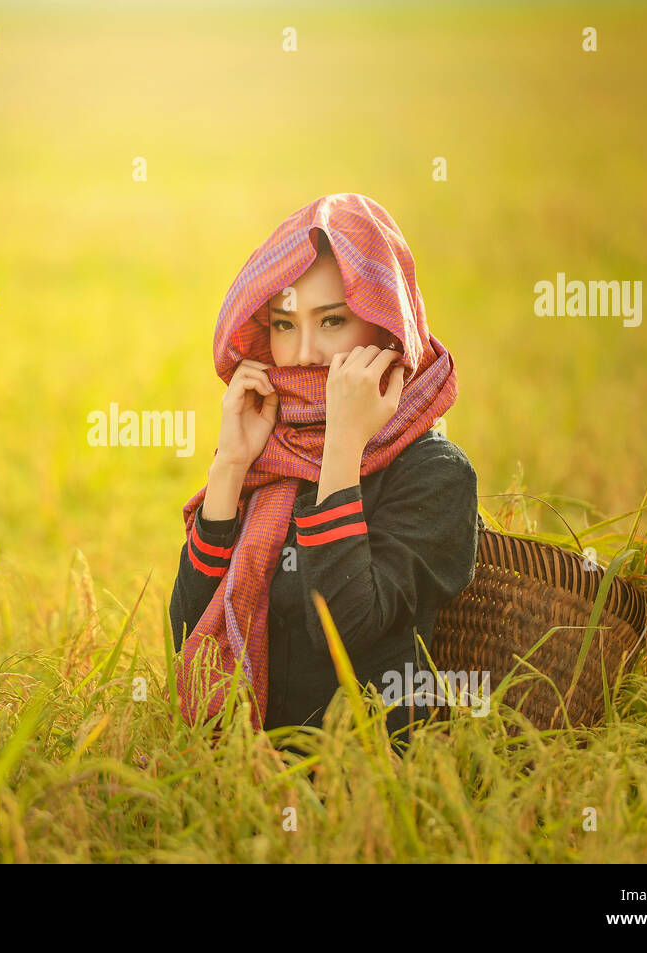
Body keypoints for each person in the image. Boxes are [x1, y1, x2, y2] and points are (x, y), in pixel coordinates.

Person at [168, 192, 480, 756]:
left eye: (332, 320)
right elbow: (187, 640)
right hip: (240, 783)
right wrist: (231, 467)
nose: (305, 352)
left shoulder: (436, 474)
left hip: (367, 790)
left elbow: (348, 631)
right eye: (284, 325)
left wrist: (341, 451)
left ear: (387, 329)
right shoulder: (272, 454)